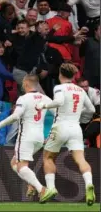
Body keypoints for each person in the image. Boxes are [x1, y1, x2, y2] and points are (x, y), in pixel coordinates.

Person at [35, 63, 96, 205]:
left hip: (60, 126)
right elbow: (92, 109)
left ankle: (51, 188)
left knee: (48, 157)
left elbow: (59, 101)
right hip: (75, 128)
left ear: (60, 74)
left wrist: (43, 105)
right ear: (74, 76)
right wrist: (77, 113)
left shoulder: (59, 87)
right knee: (80, 159)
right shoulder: (80, 90)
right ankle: (88, 184)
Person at [0, 74, 54, 202]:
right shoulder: (46, 99)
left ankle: (42, 190)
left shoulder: (23, 99)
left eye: (23, 84)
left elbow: (15, 116)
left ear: (27, 84)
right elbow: (58, 116)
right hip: (40, 138)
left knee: (21, 166)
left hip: (26, 137)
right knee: (15, 163)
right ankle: (32, 184)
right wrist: (51, 135)